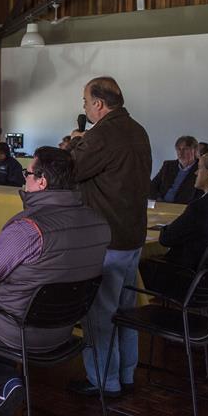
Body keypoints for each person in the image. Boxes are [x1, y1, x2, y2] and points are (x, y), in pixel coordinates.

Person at [0, 147, 110, 416]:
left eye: (28, 174)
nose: (23, 180)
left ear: (42, 182)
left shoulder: (28, 228)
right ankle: (6, 381)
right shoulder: (99, 222)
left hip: (17, 329)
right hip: (65, 330)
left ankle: (2, 381)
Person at [68, 77, 151, 398]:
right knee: (126, 313)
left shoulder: (101, 135)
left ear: (99, 104)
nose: (85, 107)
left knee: (100, 316)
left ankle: (105, 382)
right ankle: (127, 373)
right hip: (133, 234)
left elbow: (71, 170)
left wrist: (77, 142)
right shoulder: (137, 130)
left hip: (106, 237)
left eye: (86, 101)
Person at [142, 151, 208, 296]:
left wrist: (166, 229)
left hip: (186, 280)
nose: (196, 172)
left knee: (136, 264)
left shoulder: (201, 207)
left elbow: (166, 239)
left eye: (200, 168)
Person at [149, 136, 202, 204]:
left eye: (185, 149)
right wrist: (159, 199)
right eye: (178, 149)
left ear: (195, 151)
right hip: (161, 205)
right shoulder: (168, 165)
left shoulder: (201, 168)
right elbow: (152, 186)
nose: (181, 153)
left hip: (184, 208)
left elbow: (200, 195)